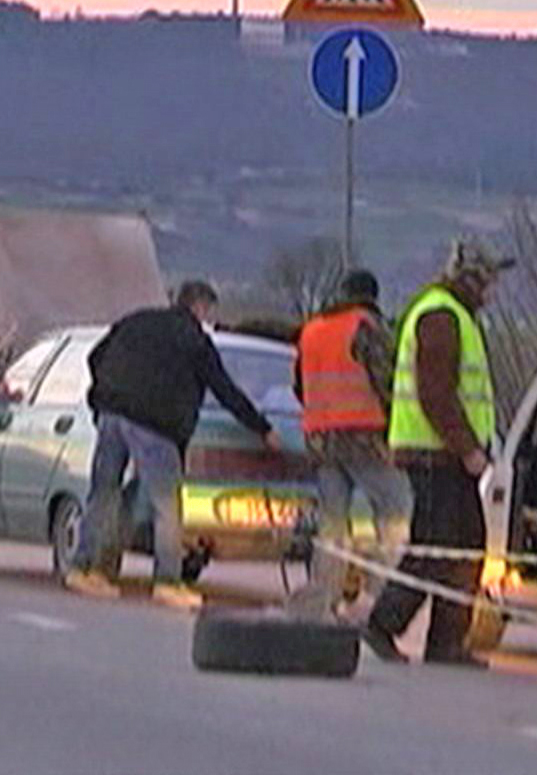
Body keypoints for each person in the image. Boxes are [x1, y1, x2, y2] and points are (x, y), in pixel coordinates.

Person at [63, 280, 283, 609]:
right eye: (209, 312)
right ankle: (168, 581)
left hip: (112, 414)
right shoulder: (194, 340)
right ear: (201, 308)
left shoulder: (135, 321)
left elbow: (96, 356)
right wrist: (263, 429)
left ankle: (84, 569)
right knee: (168, 506)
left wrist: (106, 392)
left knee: (104, 493)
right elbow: (224, 390)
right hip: (155, 425)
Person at [363, 240, 514, 668]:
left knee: (463, 546)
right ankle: (383, 624)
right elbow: (436, 394)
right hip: (435, 456)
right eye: (488, 284)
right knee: (436, 547)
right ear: (471, 280)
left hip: (442, 454)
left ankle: (446, 641)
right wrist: (467, 449)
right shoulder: (441, 317)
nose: (492, 293)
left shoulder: (453, 315)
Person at [288, 268, 413, 621]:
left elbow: (299, 386)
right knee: (396, 519)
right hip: (365, 437)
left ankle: (321, 603)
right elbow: (387, 383)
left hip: (321, 440)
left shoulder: (312, 330)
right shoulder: (367, 327)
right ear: (373, 296)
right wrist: (398, 432)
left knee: (332, 526)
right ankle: (373, 602)